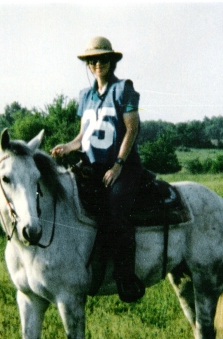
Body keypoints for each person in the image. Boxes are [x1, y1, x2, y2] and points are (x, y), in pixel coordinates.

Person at [51, 36, 145, 303]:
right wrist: (68, 147)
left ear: (111, 62)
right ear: (88, 65)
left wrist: (118, 165)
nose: (97, 64)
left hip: (123, 167)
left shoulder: (123, 89)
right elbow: (83, 137)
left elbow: (131, 128)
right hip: (92, 166)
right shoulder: (85, 96)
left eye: (102, 59)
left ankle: (126, 276)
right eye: (93, 60)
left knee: (116, 210)